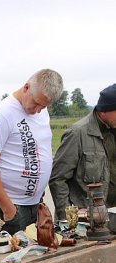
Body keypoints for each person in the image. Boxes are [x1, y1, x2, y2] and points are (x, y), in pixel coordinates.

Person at [0, 69, 63, 237]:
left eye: (44, 106)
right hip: (4, 204)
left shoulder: (41, 111)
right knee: (7, 258)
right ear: (26, 87)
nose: (38, 110)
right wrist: (8, 209)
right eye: (36, 103)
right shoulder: (3, 114)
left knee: (33, 255)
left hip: (33, 203)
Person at [50, 83, 116, 220]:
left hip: (112, 218)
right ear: (103, 110)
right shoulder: (77, 133)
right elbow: (58, 179)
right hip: (85, 222)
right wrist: (68, 217)